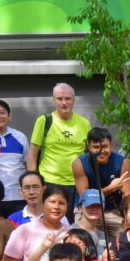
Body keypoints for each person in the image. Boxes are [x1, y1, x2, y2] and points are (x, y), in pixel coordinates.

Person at [27, 82, 90, 213]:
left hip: (76, 183)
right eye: (59, 99)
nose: (64, 102)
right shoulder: (44, 121)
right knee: (51, 220)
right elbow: (32, 154)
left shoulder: (84, 123)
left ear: (74, 100)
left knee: (74, 222)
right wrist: (32, 182)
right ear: (54, 100)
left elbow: (88, 154)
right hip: (50, 180)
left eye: (67, 98)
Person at [73, 126, 130, 242]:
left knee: (127, 239)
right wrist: (111, 188)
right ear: (89, 147)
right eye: (96, 147)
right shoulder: (79, 163)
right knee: (82, 241)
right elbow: (85, 197)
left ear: (111, 145)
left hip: (111, 210)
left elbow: (127, 195)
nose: (101, 151)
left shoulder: (121, 162)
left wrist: (128, 217)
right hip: (86, 209)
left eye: (104, 146)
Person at [72, 190, 108, 258]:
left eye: (98, 206)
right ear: (80, 208)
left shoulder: (103, 234)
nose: (94, 209)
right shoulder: (71, 232)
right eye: (89, 206)